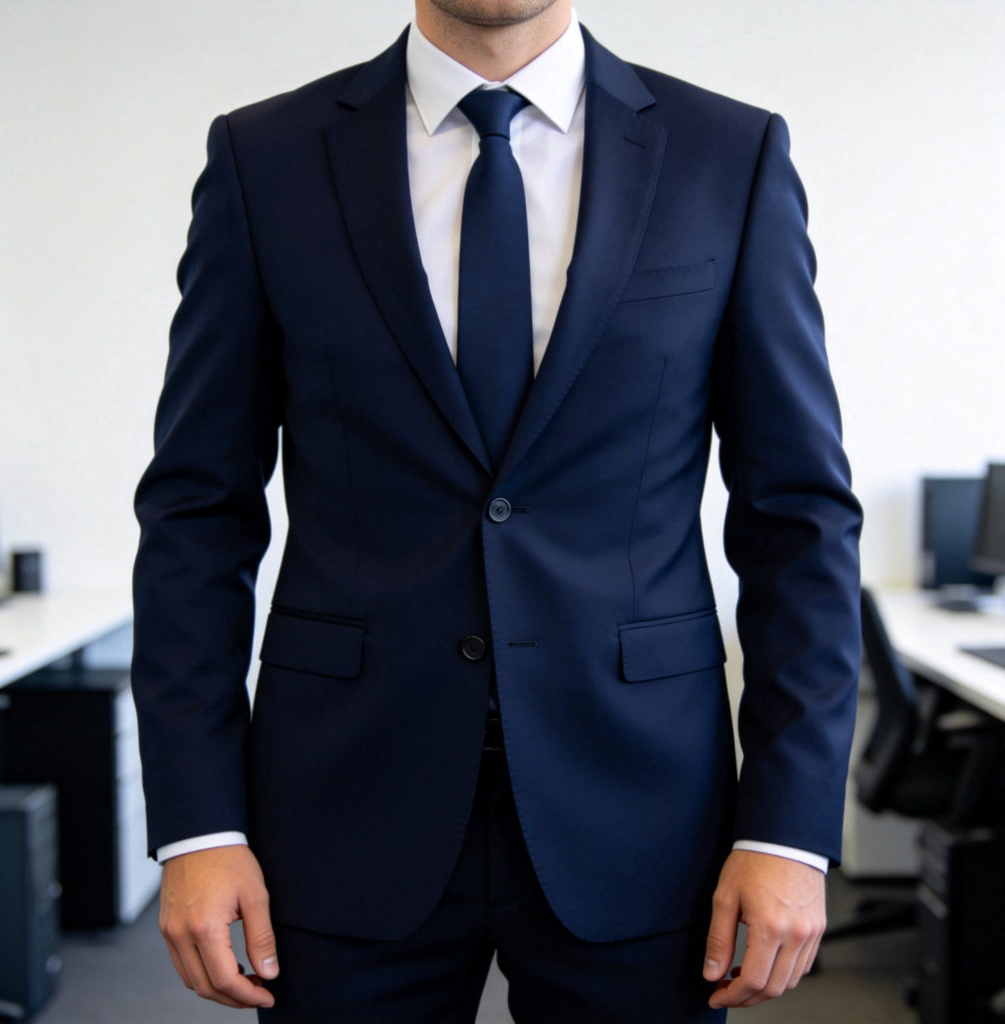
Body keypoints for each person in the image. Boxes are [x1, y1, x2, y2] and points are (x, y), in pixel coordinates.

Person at [132, 1, 863, 1021]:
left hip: (642, 809)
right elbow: (197, 513)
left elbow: (798, 519)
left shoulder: (728, 155)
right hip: (343, 804)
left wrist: (787, 825)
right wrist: (199, 824)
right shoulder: (267, 159)